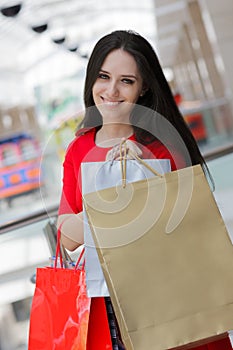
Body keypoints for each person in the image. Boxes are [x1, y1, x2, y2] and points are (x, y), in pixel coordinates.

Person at [57, 30, 231, 350]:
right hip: (107, 310)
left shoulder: (162, 147)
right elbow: (66, 235)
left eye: (126, 81)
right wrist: (109, 205)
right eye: (103, 76)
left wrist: (143, 180)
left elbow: (186, 229)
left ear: (143, 87)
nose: (111, 90)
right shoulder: (79, 148)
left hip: (169, 304)